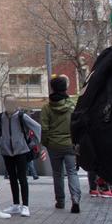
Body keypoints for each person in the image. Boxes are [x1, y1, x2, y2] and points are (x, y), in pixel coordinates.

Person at [41, 76, 82, 213]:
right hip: (70, 143)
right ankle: (75, 198)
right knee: (72, 172)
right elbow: (77, 125)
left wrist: (46, 143)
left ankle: (60, 201)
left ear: (52, 88)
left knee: (58, 173)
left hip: (54, 144)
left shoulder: (47, 108)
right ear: (65, 87)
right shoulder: (72, 105)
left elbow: (44, 129)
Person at [0, 96, 41, 217]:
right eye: (7, 102)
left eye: (12, 102)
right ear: (4, 104)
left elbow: (37, 127)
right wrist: (0, 143)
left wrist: (37, 143)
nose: (9, 105)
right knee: (12, 178)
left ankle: (25, 205)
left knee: (22, 178)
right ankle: (16, 205)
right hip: (7, 152)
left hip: (21, 151)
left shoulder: (22, 116)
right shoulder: (1, 117)